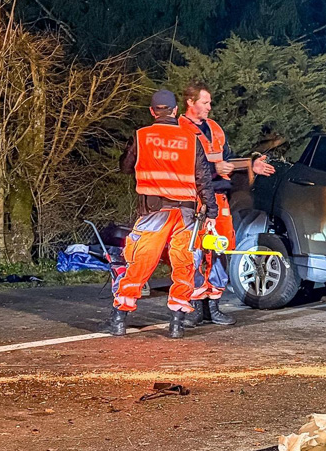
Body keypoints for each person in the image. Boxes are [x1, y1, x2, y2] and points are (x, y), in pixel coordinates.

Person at [110, 89, 218, 338]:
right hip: (186, 214)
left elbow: (125, 167)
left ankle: (119, 319)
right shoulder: (192, 140)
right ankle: (177, 324)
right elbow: (204, 179)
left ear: (152, 111)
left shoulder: (142, 136)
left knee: (139, 263)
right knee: (185, 264)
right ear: (175, 111)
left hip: (153, 212)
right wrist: (211, 210)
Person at [179, 82, 276, 325]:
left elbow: (228, 160)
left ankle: (213, 304)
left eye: (209, 102)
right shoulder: (179, 129)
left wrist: (251, 165)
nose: (209, 107)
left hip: (219, 198)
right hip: (194, 199)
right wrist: (213, 168)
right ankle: (194, 306)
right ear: (190, 102)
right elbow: (179, 166)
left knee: (221, 248)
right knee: (195, 252)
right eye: (205, 102)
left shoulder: (215, 128)